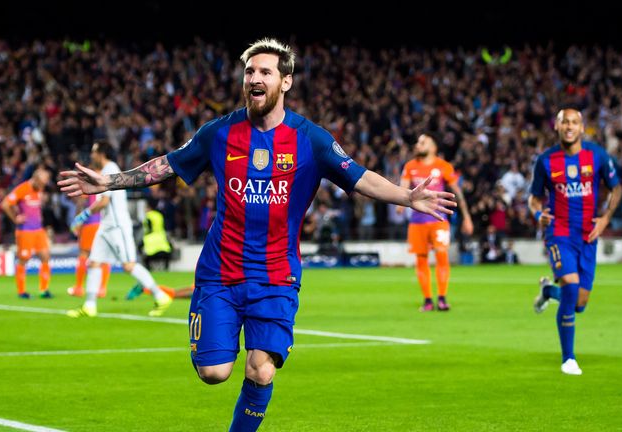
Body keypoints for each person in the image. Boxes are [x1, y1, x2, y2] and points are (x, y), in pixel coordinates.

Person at [58, 38, 455, 431]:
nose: (254, 78)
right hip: (221, 273)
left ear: (286, 82)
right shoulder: (219, 133)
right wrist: (109, 181)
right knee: (213, 372)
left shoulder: (311, 139)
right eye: (250, 71)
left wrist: (406, 197)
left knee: (261, 370)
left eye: (265, 71)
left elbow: (359, 177)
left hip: (276, 276)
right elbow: (168, 165)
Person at [530, 108, 622, 375]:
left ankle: (548, 292)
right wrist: (538, 214)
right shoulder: (545, 161)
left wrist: (604, 219)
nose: (569, 126)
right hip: (559, 233)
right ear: (556, 127)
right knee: (571, 286)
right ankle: (568, 359)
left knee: (579, 303)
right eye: (564, 122)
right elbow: (534, 198)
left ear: (582, 128)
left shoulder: (597, 156)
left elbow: (617, 187)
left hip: (588, 235)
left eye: (574, 122)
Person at [65, 140, 172, 318]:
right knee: (94, 262)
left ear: (101, 153)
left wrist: (83, 215)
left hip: (117, 226)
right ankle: (90, 305)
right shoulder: (106, 170)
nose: (92, 156)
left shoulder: (110, 169)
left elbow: (105, 201)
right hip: (106, 225)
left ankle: (160, 296)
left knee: (129, 265)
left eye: (94, 152)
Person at [398, 133, 473, 311]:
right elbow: (402, 188)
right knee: (421, 259)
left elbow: (457, 192)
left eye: (423, 142)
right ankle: (427, 300)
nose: (418, 144)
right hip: (417, 221)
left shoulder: (443, 166)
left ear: (433, 147)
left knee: (441, 255)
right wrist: (399, 203)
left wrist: (466, 216)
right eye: (417, 142)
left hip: (438, 219)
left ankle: (442, 297)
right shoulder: (410, 166)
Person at [1, 167, 53, 299]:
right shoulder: (22, 189)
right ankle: (21, 291)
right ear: (35, 179)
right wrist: (15, 218)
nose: (43, 186)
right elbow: (5, 204)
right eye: (42, 183)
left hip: (38, 230)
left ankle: (44, 289)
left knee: (45, 256)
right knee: (24, 259)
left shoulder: (38, 188)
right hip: (25, 231)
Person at [67, 193, 111, 299]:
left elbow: (81, 203)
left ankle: (78, 288)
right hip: (104, 223)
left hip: (90, 223)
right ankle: (102, 289)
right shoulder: (105, 181)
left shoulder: (88, 181)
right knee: (103, 256)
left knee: (83, 254)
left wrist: (78, 220)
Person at [142, 198, 173, 270]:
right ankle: (166, 269)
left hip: (151, 242)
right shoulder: (159, 215)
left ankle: (148, 270)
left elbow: (148, 229)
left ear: (148, 207)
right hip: (162, 240)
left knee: (142, 250)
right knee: (168, 249)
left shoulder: (148, 216)